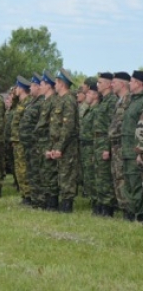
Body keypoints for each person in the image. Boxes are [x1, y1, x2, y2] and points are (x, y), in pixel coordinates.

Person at [48, 68, 78, 213]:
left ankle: (67, 206)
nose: (55, 84)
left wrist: (59, 147)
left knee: (67, 175)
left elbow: (68, 127)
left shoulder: (69, 100)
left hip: (67, 146)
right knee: (61, 174)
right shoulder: (59, 100)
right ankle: (62, 203)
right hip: (57, 143)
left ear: (62, 84)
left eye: (57, 82)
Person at [93, 72, 117, 217]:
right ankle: (101, 204)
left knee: (105, 176)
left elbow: (112, 126)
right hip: (98, 142)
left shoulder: (112, 101)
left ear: (109, 84)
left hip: (104, 142)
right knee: (99, 176)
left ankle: (108, 208)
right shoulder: (103, 101)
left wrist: (108, 148)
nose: (98, 85)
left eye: (100, 82)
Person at [109, 72, 132, 219]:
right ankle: (124, 209)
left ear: (122, 84)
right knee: (118, 178)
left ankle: (129, 211)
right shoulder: (119, 101)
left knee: (124, 179)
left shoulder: (129, 100)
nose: (112, 84)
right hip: (116, 147)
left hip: (124, 146)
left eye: (114, 82)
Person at [34, 70, 59, 210]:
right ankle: (46, 200)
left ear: (49, 86)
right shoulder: (45, 102)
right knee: (44, 173)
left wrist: (50, 146)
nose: (40, 87)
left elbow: (53, 127)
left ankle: (52, 203)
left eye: (42, 84)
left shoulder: (54, 102)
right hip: (42, 143)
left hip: (49, 143)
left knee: (50, 173)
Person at [20, 73, 45, 208]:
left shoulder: (42, 103)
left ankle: (40, 200)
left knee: (37, 172)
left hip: (35, 144)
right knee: (31, 172)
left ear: (38, 87)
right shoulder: (32, 102)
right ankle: (34, 199)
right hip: (28, 144)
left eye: (33, 86)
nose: (30, 89)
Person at [123, 70, 143, 222]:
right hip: (127, 150)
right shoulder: (133, 101)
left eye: (131, 81)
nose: (129, 83)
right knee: (130, 183)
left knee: (137, 184)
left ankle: (139, 215)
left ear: (138, 83)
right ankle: (131, 213)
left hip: (136, 151)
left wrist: (140, 151)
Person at [10, 76, 32, 204]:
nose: (15, 90)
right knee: (19, 170)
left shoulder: (28, 102)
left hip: (23, 141)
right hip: (17, 141)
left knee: (24, 169)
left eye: (17, 87)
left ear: (22, 88)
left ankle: (28, 195)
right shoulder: (20, 103)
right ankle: (24, 194)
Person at [80, 81, 100, 214]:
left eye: (89, 93)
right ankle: (94, 201)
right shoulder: (89, 109)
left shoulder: (97, 110)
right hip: (85, 147)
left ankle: (98, 202)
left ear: (95, 95)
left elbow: (96, 132)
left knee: (94, 176)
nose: (86, 95)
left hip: (93, 147)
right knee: (88, 176)